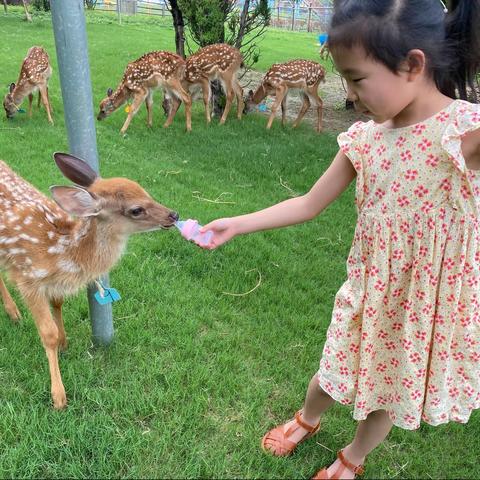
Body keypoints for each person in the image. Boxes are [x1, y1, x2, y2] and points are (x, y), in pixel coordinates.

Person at [199, 0, 480, 478]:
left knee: (391, 390)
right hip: (369, 288)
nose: (348, 93)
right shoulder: (366, 139)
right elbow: (308, 203)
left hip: (424, 304)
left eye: (356, 79)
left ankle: (354, 457)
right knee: (331, 371)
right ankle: (307, 419)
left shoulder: (464, 134)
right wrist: (236, 223)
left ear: (413, 65)